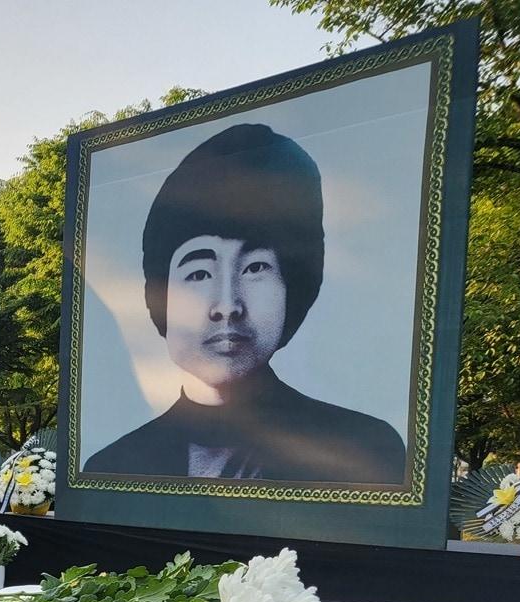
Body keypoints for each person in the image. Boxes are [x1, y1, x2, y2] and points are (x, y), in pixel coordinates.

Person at [83, 123, 406, 485]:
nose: (227, 306)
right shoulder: (112, 466)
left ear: (293, 287)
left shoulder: (365, 449)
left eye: (255, 267)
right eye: (200, 273)